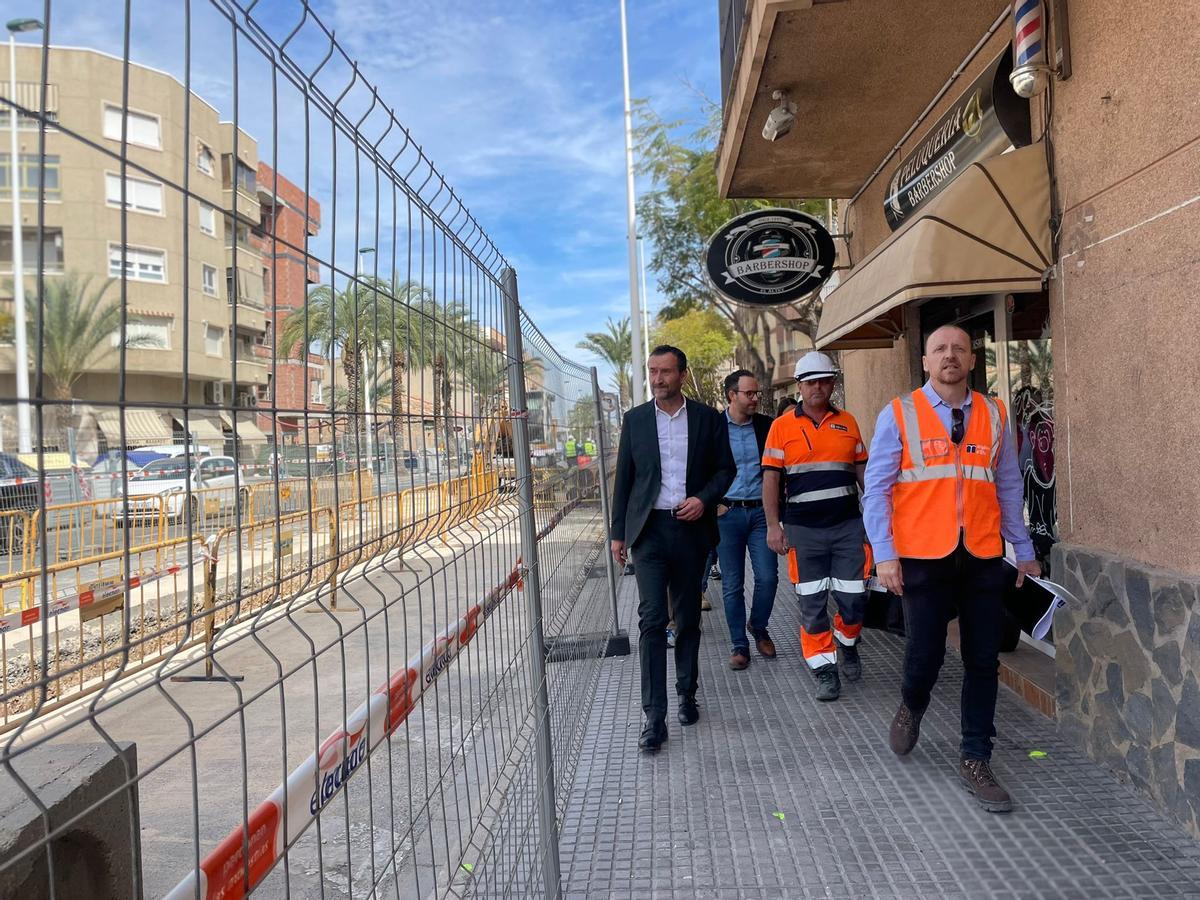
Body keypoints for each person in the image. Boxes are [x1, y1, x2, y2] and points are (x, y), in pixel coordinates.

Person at [863, 324, 1040, 813]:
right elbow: (876, 489)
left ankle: (976, 757)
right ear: (925, 361)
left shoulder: (995, 413)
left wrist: (1022, 547)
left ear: (972, 359)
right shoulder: (899, 414)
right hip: (922, 556)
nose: (950, 356)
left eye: (959, 349)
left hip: (983, 556)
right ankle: (911, 705)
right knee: (926, 654)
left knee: (983, 660)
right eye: (940, 349)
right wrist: (885, 554)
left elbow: (1008, 486)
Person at [610, 346, 735, 753]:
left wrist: (703, 498)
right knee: (651, 620)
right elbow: (624, 480)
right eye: (652, 371)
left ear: (682, 374)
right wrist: (617, 534)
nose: (657, 378)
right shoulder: (636, 420)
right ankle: (654, 717)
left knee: (687, 618)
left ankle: (686, 692)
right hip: (648, 531)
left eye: (665, 372)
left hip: (690, 528)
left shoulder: (707, 418)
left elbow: (725, 469)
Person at [762, 352, 869, 701]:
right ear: (800, 386)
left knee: (854, 599)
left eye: (824, 380)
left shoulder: (849, 422)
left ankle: (847, 641)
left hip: (848, 527)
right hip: (803, 531)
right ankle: (825, 670)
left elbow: (863, 474)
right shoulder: (781, 427)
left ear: (833, 383)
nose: (818, 387)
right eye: (811, 382)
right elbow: (771, 481)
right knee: (812, 602)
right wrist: (773, 526)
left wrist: (881, 519)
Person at [716, 370, 779, 670]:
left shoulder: (768, 426)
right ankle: (739, 645)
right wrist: (712, 503)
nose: (756, 398)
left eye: (757, 393)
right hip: (726, 515)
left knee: (768, 577)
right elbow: (697, 466)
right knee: (732, 584)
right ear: (732, 395)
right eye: (749, 394)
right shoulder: (714, 427)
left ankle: (759, 626)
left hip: (760, 513)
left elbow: (779, 470)